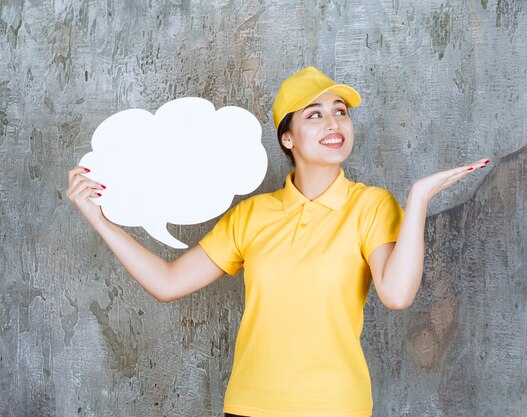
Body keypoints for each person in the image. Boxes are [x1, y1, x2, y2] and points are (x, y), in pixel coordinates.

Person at [67, 66, 490, 417]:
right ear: (287, 137)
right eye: (314, 115)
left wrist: (417, 200)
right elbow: (167, 283)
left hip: (336, 406)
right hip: (250, 405)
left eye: (341, 112)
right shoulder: (252, 215)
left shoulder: (371, 205)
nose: (334, 123)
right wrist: (100, 220)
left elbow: (397, 294)